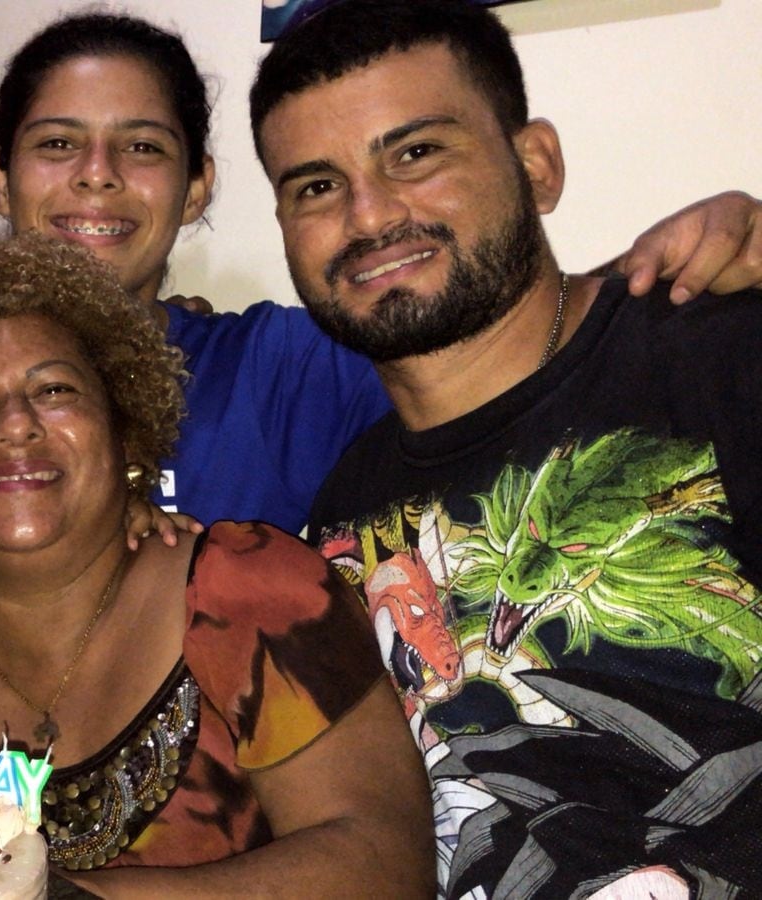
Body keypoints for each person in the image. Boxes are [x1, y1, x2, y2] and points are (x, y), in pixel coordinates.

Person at [0, 10, 762, 608]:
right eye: (58, 143)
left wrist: (668, 269)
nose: (97, 174)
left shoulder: (287, 368)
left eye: (143, 146)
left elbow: (480, 335)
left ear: (198, 189)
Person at [249, 0, 762, 894]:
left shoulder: (718, 359)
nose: (369, 216)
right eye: (316, 186)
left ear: (536, 166)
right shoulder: (340, 514)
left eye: (415, 153)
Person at [0, 234, 436, 894]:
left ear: (127, 437)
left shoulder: (249, 592)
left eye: (54, 389)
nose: (14, 425)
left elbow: (384, 864)